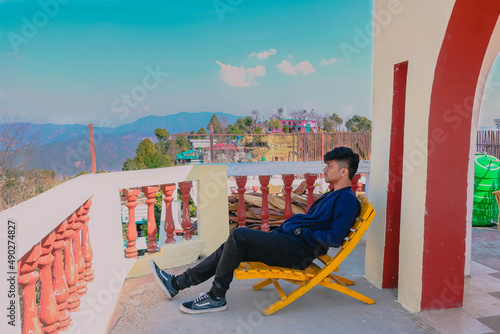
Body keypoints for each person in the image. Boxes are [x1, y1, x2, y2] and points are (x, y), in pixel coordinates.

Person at [150, 146, 361, 314]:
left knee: (239, 235)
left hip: (297, 252)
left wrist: (300, 232)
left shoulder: (347, 200)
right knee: (231, 245)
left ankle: (216, 296)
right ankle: (177, 283)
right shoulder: (333, 194)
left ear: (343, 171)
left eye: (330, 166)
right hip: (289, 243)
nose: (325, 169)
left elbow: (333, 238)